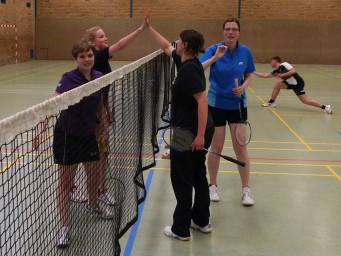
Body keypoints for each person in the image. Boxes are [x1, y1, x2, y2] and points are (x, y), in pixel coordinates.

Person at [33, 40, 114, 248]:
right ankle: (64, 228)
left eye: (89, 55)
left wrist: (104, 126)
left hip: (88, 135)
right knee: (65, 183)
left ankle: (93, 204)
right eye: (82, 56)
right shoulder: (69, 79)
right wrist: (41, 129)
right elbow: (52, 104)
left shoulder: (99, 77)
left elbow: (100, 106)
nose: (87, 59)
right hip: (67, 136)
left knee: (94, 175)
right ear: (76, 59)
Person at [146, 15, 215, 240]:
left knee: (182, 179)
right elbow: (166, 46)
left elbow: (202, 101)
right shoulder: (185, 63)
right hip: (193, 130)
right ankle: (201, 220)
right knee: (197, 175)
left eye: (179, 40)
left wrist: (200, 136)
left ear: (185, 45)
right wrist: (149, 28)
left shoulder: (188, 71)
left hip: (188, 132)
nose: (175, 42)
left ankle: (181, 229)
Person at [69, 17, 149, 205]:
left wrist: (106, 109)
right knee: (88, 151)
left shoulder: (100, 58)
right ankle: (77, 188)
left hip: (100, 109)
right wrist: (140, 29)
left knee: (102, 151)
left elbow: (102, 91)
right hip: (87, 112)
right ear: (92, 42)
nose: (106, 38)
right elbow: (121, 45)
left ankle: (100, 190)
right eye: (101, 36)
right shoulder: (98, 55)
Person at [199, 18, 255, 206]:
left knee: (240, 147)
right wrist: (216, 58)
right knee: (217, 147)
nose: (230, 32)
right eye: (227, 29)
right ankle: (212, 185)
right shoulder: (214, 49)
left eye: (234, 29)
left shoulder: (246, 52)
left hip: (238, 105)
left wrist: (244, 87)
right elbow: (198, 68)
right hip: (216, 104)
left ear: (239, 32)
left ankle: (246, 190)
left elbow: (248, 75)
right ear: (223, 32)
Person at [253, 56, 332, 114]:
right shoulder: (276, 71)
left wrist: (282, 75)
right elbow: (265, 76)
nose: (270, 63)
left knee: (305, 101)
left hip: (297, 83)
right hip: (289, 83)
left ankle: (325, 107)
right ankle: (271, 102)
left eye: (271, 61)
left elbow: (293, 71)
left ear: (275, 61)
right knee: (277, 85)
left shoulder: (284, 64)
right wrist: (253, 72)